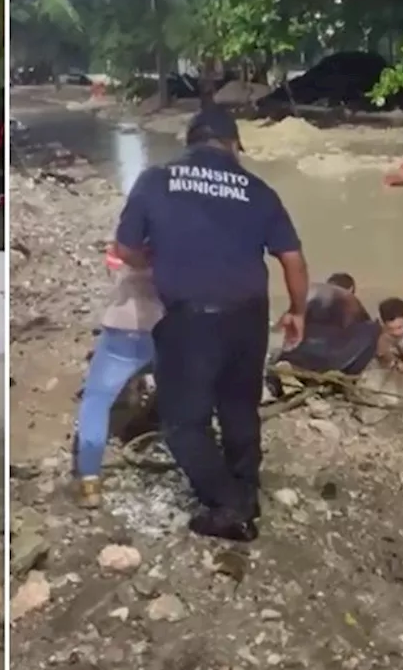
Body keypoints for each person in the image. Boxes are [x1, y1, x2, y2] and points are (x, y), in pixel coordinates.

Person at [113, 106, 309, 542]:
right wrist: (298, 311)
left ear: (190, 141)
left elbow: (125, 249)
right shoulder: (258, 190)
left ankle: (229, 505)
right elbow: (292, 259)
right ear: (234, 145)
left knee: (185, 423)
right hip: (249, 316)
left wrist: (155, 257)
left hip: (190, 319)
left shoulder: (154, 180)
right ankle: (246, 489)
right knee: (240, 408)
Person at [72, 249, 162, 509]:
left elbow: (115, 260)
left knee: (97, 400)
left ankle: (89, 482)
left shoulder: (134, 232)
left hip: (123, 327)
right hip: (166, 326)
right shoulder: (186, 235)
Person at [272, 272, 379, 381]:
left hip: (293, 354)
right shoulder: (349, 302)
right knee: (372, 328)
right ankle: (349, 375)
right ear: (351, 289)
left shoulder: (310, 296)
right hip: (327, 360)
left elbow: (281, 327)